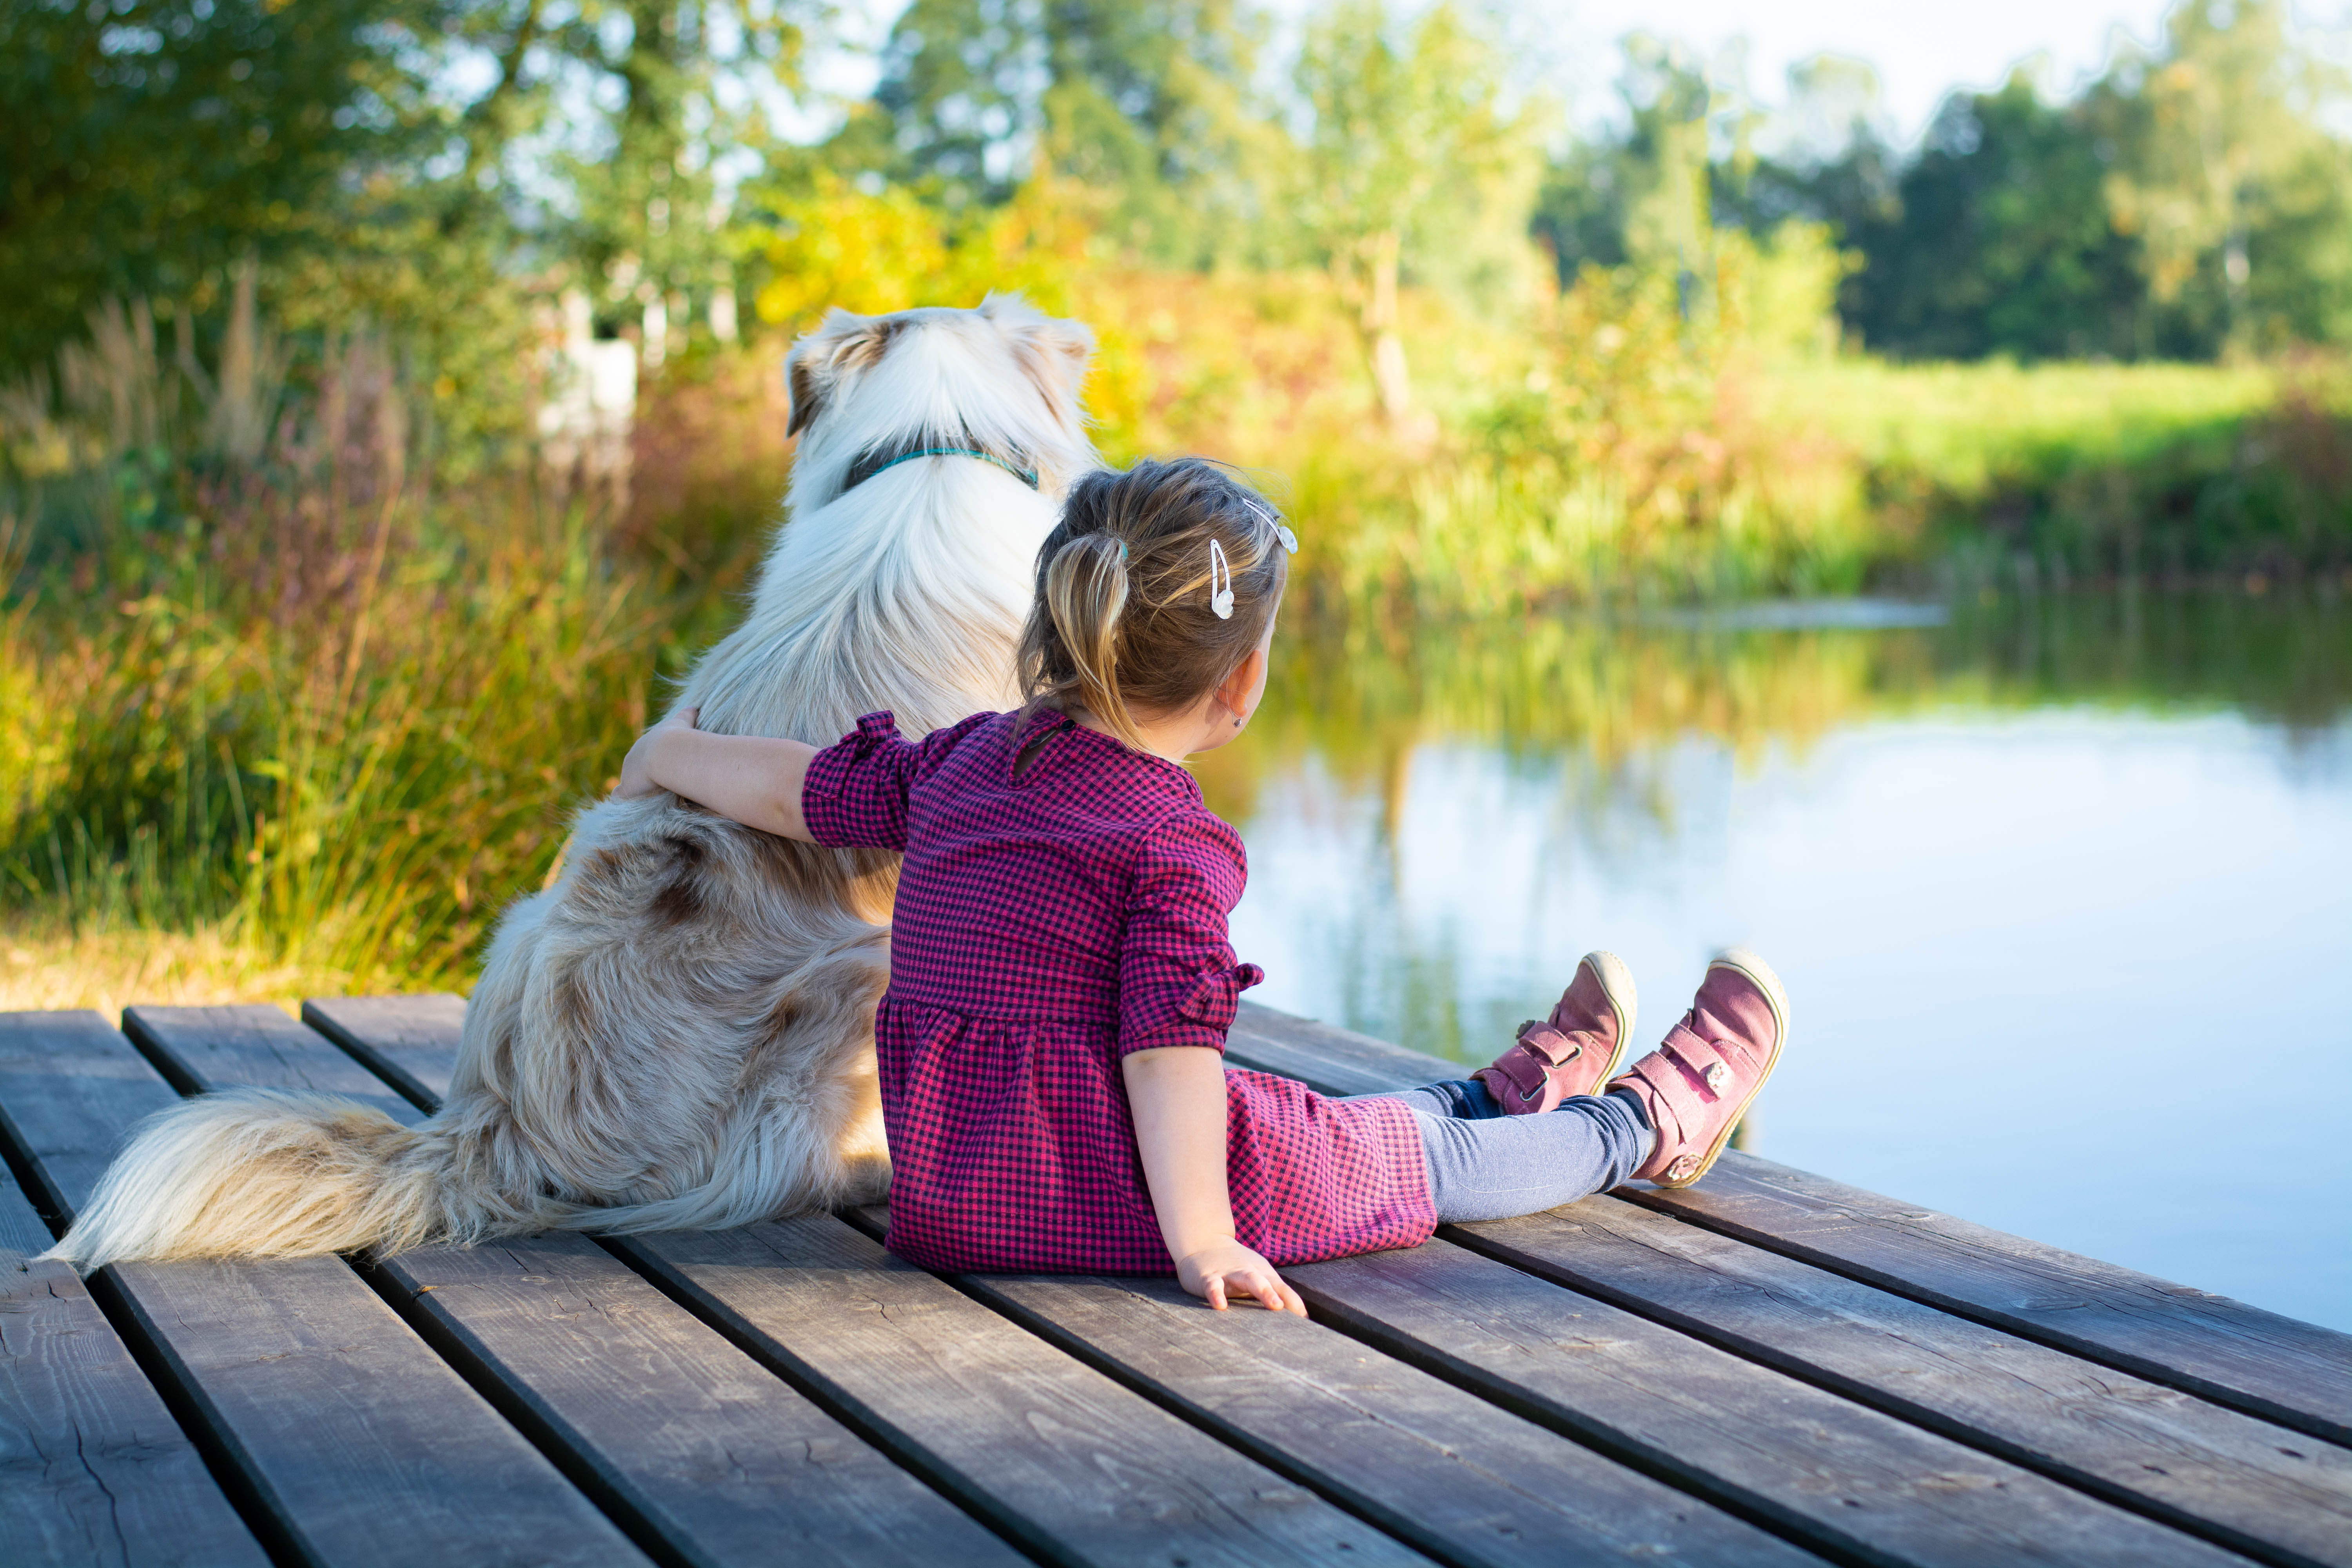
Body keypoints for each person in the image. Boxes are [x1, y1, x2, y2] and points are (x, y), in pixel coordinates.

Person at [617, 456, 1786, 1312]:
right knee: (1431, 1169)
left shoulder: (964, 760)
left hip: (964, 1187)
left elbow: (803, 789)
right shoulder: (1170, 842)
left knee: (1350, 1125)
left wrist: (667, 752)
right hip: (1115, 1193)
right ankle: (1643, 1126)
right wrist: (1206, 1241)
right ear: (1243, 684)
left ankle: (1492, 1091)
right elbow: (1166, 1058)